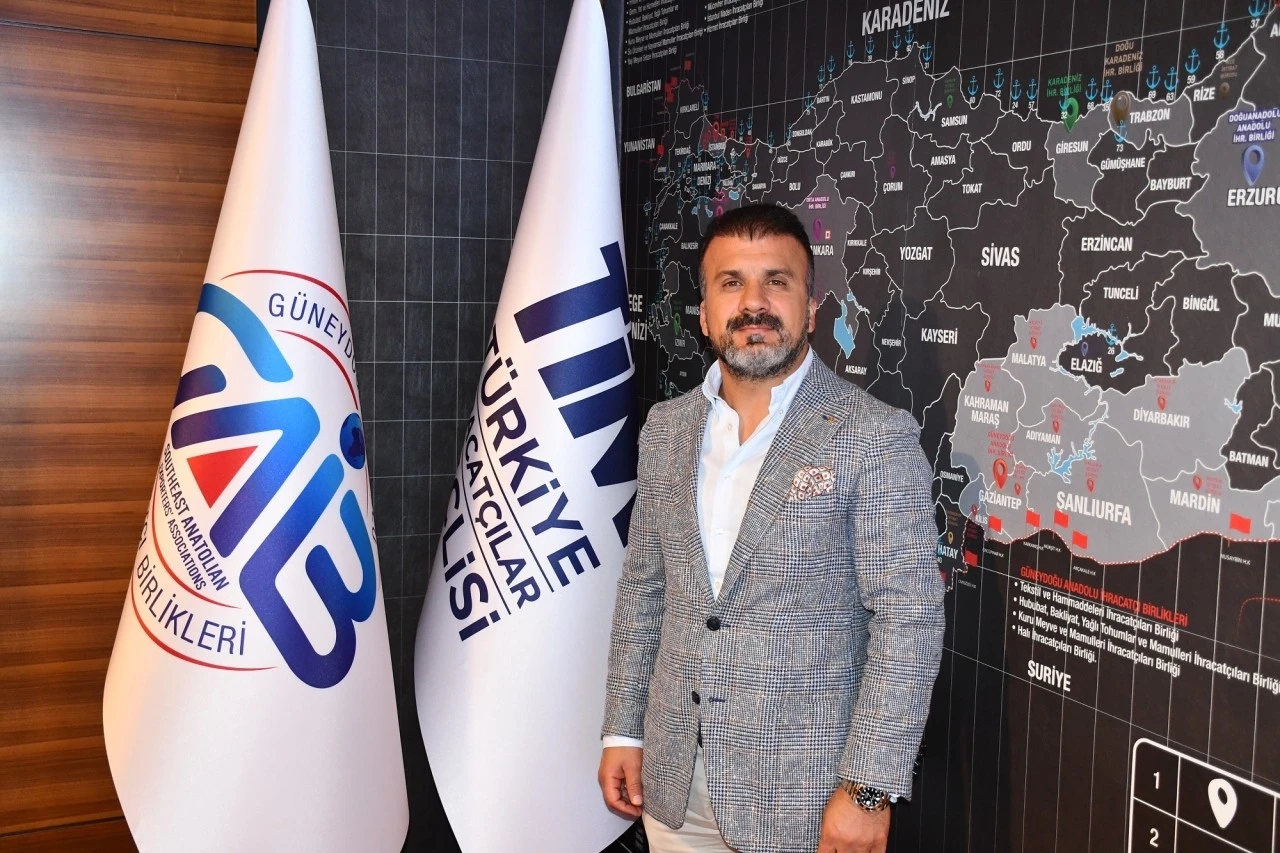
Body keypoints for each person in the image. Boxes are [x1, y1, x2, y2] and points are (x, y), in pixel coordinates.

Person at [598, 204, 945, 853]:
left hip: (806, 800)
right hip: (674, 788)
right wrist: (623, 728)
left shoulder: (873, 435)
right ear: (704, 314)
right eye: (731, 282)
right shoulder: (666, 429)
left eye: (776, 281)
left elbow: (909, 621)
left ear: (809, 308)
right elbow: (645, 588)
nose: (753, 303)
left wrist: (868, 790)